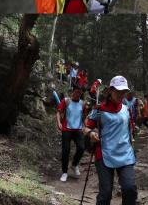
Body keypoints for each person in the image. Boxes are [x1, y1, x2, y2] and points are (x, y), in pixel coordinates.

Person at [83, 75, 137, 205]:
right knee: (105, 193)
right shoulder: (99, 110)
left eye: (123, 91)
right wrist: (91, 133)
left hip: (125, 154)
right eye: (118, 91)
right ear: (110, 91)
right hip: (104, 154)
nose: (121, 94)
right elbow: (85, 128)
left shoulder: (127, 110)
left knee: (130, 188)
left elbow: (130, 128)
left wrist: (132, 137)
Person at [56, 85, 87, 182]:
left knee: (81, 148)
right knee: (66, 150)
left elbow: (85, 116)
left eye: (80, 92)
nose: (78, 94)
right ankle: (64, 172)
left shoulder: (83, 104)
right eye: (76, 92)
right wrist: (59, 123)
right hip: (67, 129)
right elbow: (58, 112)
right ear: (72, 92)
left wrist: (86, 126)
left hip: (78, 129)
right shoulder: (66, 101)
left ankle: (74, 165)